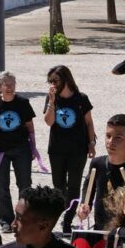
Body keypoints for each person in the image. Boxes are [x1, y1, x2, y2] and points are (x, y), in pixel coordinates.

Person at [0, 71, 36, 233]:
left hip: (21, 149)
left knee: (25, 185)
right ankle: (6, 220)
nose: (9, 87)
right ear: (0, 86)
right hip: (0, 151)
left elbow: (30, 127)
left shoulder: (23, 103)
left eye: (12, 84)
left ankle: (22, 218)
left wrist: (33, 148)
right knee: (1, 185)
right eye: (6, 84)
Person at [44, 65, 95, 235]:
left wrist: (91, 143)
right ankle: (61, 214)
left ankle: (67, 221)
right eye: (50, 81)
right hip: (57, 149)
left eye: (55, 80)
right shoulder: (52, 99)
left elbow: (89, 122)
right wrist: (51, 101)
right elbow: (49, 122)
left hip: (77, 149)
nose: (53, 84)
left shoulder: (81, 99)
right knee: (58, 186)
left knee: (73, 186)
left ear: (66, 79)